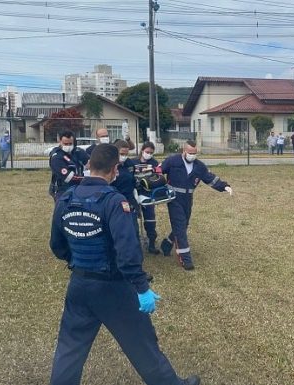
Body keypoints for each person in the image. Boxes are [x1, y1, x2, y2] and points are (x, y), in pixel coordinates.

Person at [49, 143, 200, 385]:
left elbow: (57, 245)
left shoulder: (66, 199)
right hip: (113, 287)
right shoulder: (115, 202)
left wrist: (78, 261)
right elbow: (128, 252)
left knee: (69, 348)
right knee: (141, 343)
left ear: (89, 166)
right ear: (114, 169)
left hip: (79, 284)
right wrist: (141, 288)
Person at [160, 140, 232, 270]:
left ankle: (167, 243)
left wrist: (224, 186)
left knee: (183, 224)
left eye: (195, 153)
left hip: (188, 199)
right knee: (180, 227)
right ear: (184, 151)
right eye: (190, 153)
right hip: (174, 198)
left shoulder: (199, 166)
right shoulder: (172, 161)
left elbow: (210, 178)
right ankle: (185, 259)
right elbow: (158, 172)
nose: (192, 155)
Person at [111, 139, 140, 241]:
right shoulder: (109, 165)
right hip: (115, 200)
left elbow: (132, 179)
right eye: (121, 154)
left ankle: (135, 251)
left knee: (133, 227)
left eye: (126, 154)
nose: (124, 156)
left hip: (129, 199)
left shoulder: (130, 164)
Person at [136, 141, 161, 254]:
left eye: (151, 152)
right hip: (134, 194)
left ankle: (151, 244)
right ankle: (134, 244)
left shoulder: (154, 163)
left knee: (150, 219)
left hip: (148, 194)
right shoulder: (133, 162)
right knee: (132, 220)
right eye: (147, 152)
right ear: (142, 150)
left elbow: (158, 178)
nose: (149, 154)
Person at [49, 130, 87, 201]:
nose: (68, 146)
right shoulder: (56, 157)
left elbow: (90, 163)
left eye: (70, 143)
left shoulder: (78, 152)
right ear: (60, 141)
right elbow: (69, 177)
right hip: (62, 190)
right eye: (65, 144)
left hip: (79, 189)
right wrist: (87, 178)